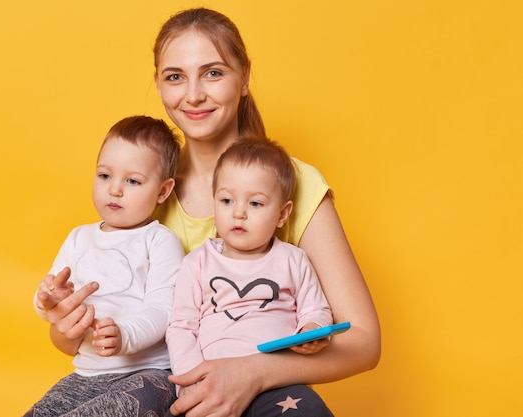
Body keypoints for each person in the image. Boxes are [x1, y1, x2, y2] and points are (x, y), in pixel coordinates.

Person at [35, 7, 381, 417]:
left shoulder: (295, 182)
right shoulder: (140, 188)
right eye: (175, 76)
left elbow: (364, 341)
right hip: (158, 391)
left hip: (264, 395)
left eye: (213, 73)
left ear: (245, 77)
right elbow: (87, 335)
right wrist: (66, 328)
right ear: (158, 85)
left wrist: (253, 372)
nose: (193, 95)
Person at [25, 115, 185, 417]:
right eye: (104, 176)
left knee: (127, 404)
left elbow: (164, 309)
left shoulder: (160, 241)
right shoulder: (78, 237)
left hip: (148, 373)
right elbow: (50, 303)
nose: (115, 190)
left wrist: (125, 335)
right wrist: (47, 300)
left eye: (133, 181)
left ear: (163, 191)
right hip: (86, 373)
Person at [166, 138, 335, 416]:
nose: (239, 212)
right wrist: (192, 380)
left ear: (282, 214)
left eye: (255, 203)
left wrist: (312, 329)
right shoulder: (197, 262)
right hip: (212, 383)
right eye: (226, 200)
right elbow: (181, 326)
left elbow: (315, 309)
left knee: (311, 410)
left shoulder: (292, 260)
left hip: (279, 384)